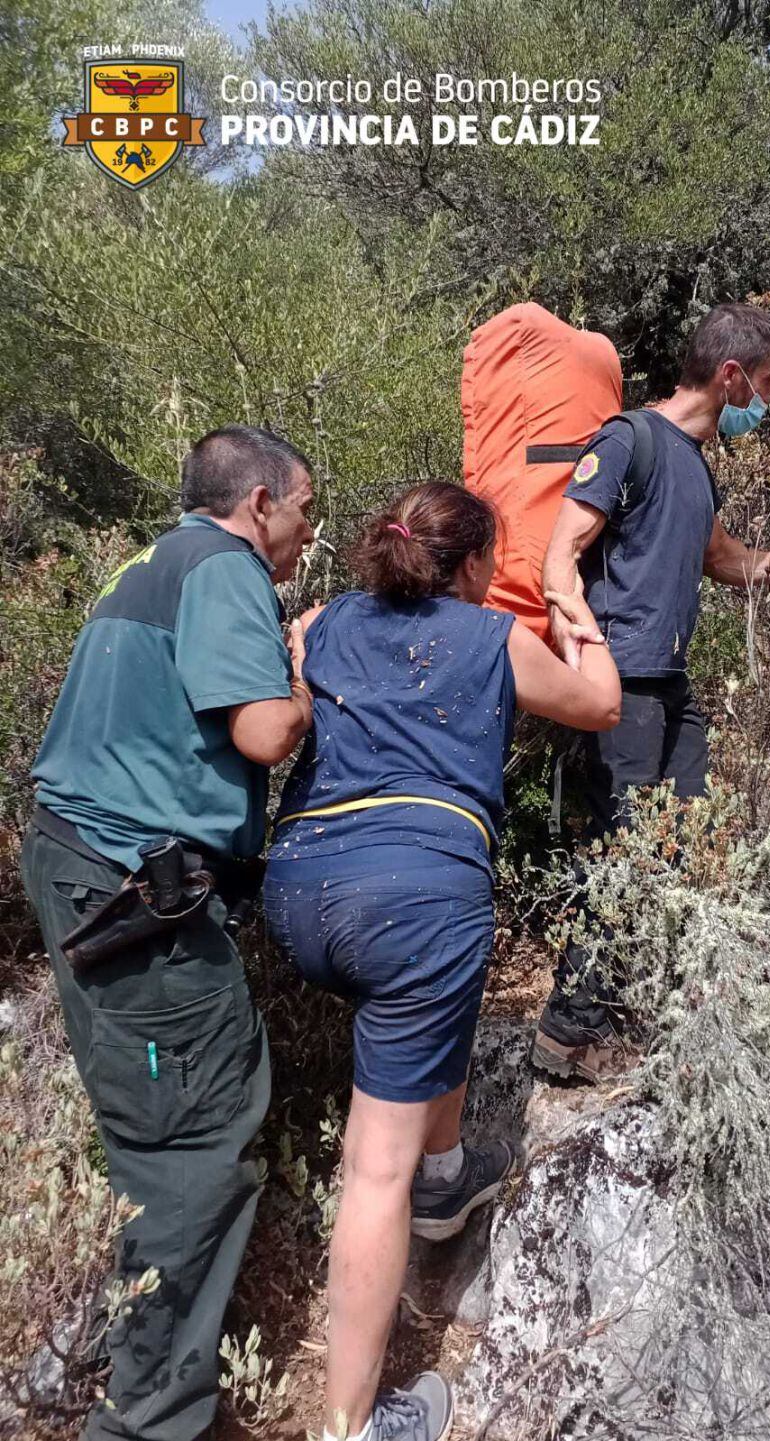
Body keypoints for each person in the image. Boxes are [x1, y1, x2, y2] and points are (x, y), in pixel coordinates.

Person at [262, 480, 620, 1441]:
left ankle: (448, 1170)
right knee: (373, 1169)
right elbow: (601, 701)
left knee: (428, 998)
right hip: (417, 893)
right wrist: (573, 602)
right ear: (470, 567)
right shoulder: (491, 638)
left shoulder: (321, 621)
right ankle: (350, 1424)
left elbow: (289, 671)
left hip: (299, 891)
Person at [20, 424, 316, 1441]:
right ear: (261, 503)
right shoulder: (227, 567)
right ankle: (146, 1419)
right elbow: (263, 731)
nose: (308, 534)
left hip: (83, 868)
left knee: (158, 1127)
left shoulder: (147, 563)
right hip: (132, 892)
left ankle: (117, 1366)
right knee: (193, 1137)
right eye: (306, 511)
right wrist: (304, 671)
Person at [533, 302, 770, 1082]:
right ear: (731, 375)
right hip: (620, 686)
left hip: (669, 687)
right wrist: (580, 646)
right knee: (624, 855)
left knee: (684, 843)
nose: (765, 401)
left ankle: (653, 1004)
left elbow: (719, 556)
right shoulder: (628, 440)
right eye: (764, 383)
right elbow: (558, 555)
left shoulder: (696, 464)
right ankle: (567, 1035)